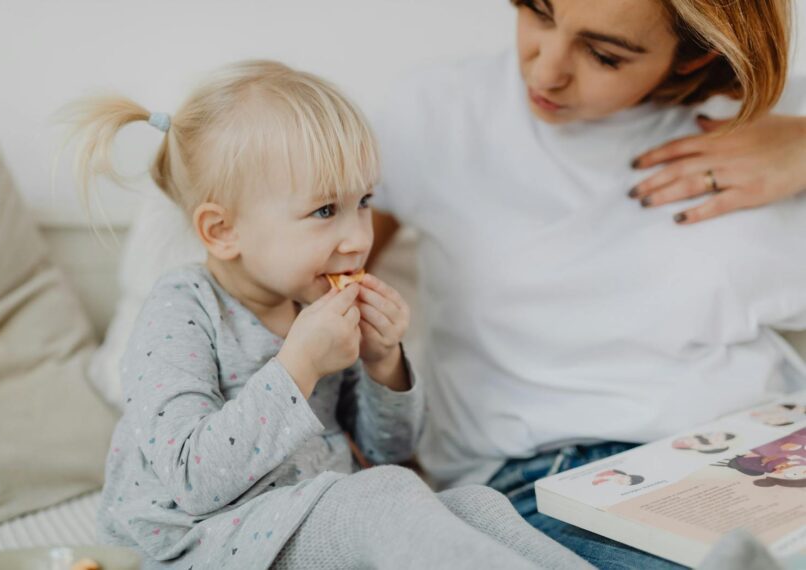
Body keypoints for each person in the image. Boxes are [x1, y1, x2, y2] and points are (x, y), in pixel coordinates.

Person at [59, 60, 595, 570]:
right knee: (379, 500)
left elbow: (390, 452)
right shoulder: (182, 309)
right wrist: (298, 366)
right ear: (223, 231)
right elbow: (192, 478)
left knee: (475, 507)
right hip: (199, 545)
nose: (360, 238)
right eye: (323, 211)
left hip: (304, 525)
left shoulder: (312, 305)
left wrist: (385, 363)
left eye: (364, 201)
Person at [368, 0, 806, 567]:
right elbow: (292, 276)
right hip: (553, 477)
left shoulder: (772, 123)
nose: (545, 70)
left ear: (695, 60)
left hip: (767, 451)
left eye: (603, 55)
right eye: (539, 13)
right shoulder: (438, 112)